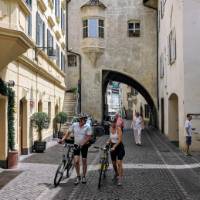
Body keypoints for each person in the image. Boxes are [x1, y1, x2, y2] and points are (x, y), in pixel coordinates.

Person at [59, 113, 92, 185]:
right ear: (80, 119)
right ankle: (78, 176)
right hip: (76, 144)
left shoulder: (88, 126)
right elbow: (68, 132)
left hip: (84, 145)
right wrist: (63, 139)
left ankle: (84, 176)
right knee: (76, 161)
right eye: (82, 119)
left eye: (84, 119)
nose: (84, 120)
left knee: (84, 160)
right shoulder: (74, 125)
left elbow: (89, 137)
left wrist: (83, 143)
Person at [107, 118, 125, 186]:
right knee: (114, 164)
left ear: (116, 123)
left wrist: (114, 146)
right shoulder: (110, 129)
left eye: (114, 122)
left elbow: (120, 140)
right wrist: (108, 142)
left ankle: (120, 178)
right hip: (112, 146)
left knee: (119, 163)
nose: (113, 124)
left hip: (119, 146)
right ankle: (117, 173)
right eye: (112, 123)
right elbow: (111, 138)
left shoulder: (119, 129)